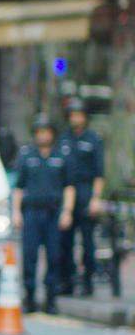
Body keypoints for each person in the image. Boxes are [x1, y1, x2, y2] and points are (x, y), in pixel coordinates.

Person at [12, 114, 75, 315]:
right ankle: (29, 296)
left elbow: (69, 187)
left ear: (52, 134)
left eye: (46, 132)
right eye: (39, 132)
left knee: (54, 256)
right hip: (32, 211)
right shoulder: (27, 155)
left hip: (53, 212)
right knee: (29, 255)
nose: (43, 136)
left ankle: (51, 299)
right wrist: (16, 212)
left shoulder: (62, 156)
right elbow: (18, 187)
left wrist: (67, 211)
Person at [58, 98, 105, 297]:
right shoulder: (64, 139)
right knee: (65, 240)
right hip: (68, 191)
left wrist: (95, 198)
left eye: (79, 114)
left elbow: (99, 173)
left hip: (85, 190)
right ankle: (67, 280)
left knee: (87, 241)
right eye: (72, 115)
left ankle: (87, 281)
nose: (75, 118)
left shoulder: (93, 139)